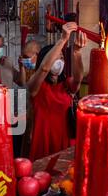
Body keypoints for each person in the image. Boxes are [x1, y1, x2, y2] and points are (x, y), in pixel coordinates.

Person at [28, 22, 87, 161]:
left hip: (65, 141)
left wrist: (77, 52)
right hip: (43, 143)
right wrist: (63, 40)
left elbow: (78, 78)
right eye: (55, 58)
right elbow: (43, 69)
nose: (59, 62)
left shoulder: (66, 85)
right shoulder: (36, 86)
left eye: (61, 58)